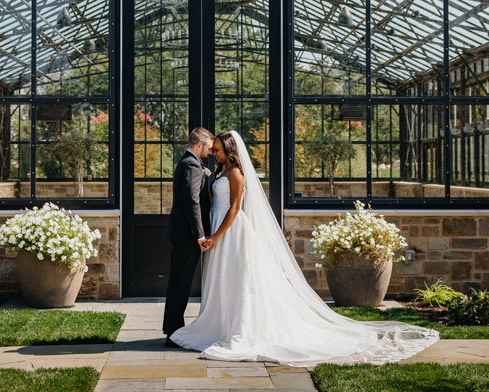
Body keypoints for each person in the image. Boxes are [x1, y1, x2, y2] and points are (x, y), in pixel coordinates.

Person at [170, 130, 439, 366]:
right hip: (218, 229)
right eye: (212, 149)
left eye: (216, 150)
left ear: (229, 150)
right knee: (223, 279)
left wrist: (215, 236)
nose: (213, 153)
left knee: (238, 279)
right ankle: (220, 324)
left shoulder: (237, 173)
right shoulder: (222, 171)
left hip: (229, 231)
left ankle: (238, 329)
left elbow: (235, 208)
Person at [162, 127, 214, 343]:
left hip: (183, 235)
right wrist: (200, 235)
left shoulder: (188, 162)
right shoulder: (191, 165)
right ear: (199, 145)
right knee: (180, 283)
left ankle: (172, 330)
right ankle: (173, 333)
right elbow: (192, 202)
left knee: (178, 282)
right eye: (209, 148)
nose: (210, 153)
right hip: (187, 236)